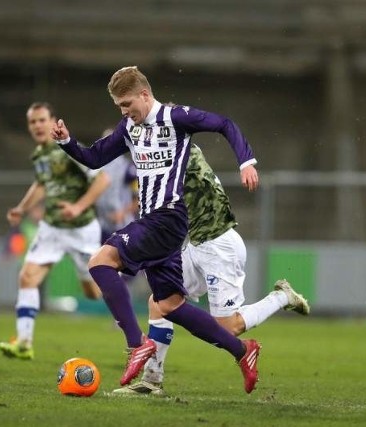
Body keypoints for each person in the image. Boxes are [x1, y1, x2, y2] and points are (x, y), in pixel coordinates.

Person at [51, 66, 262, 393]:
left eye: (126, 104)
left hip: (168, 217)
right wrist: (67, 142)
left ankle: (136, 344)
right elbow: (95, 158)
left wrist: (246, 161)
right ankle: (242, 351)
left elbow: (224, 124)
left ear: (144, 95)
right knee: (170, 305)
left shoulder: (176, 118)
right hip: (156, 223)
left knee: (101, 262)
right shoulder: (129, 128)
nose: (124, 112)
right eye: (119, 107)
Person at [113, 144, 310, 395]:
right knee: (160, 301)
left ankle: (282, 296)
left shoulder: (180, 154)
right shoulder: (175, 152)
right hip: (196, 244)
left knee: (229, 328)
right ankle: (152, 381)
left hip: (219, 246)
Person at [0, 102, 110, 360]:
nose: (37, 126)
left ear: (53, 122)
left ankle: (124, 314)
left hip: (81, 229)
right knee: (27, 277)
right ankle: (24, 342)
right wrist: (22, 208)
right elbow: (41, 184)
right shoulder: (40, 154)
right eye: (32, 122)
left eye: (41, 120)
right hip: (51, 227)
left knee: (93, 292)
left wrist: (78, 207)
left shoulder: (68, 150)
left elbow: (103, 179)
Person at [94, 128, 138, 243]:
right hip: (103, 224)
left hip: (122, 225)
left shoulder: (128, 168)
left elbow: (139, 198)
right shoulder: (97, 166)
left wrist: (123, 213)